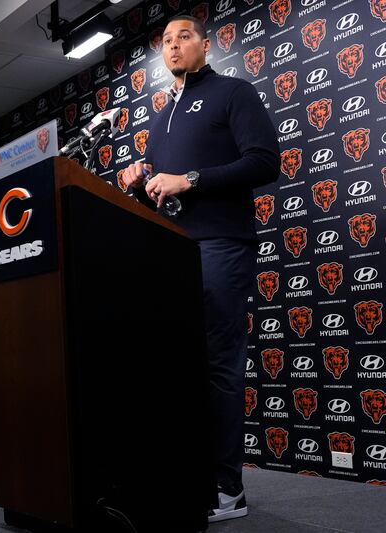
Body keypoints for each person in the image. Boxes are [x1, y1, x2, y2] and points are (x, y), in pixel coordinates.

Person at [122, 15, 279, 523]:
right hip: (171, 252)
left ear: (205, 45)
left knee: (218, 364)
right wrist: (140, 182)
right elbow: (160, 194)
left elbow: (265, 162)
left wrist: (189, 178)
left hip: (220, 246)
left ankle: (226, 489)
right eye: (166, 41)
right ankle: (188, 475)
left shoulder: (233, 92)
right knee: (177, 366)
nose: (173, 46)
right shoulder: (161, 115)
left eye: (184, 37)